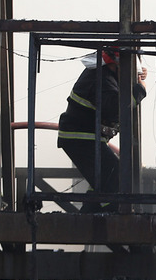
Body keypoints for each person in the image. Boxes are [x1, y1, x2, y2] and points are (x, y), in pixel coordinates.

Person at [57, 49, 147, 211]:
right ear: (117, 65)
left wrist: (134, 79)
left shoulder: (104, 74)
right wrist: (139, 89)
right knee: (115, 179)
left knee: (103, 182)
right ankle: (110, 220)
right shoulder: (101, 78)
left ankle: (87, 219)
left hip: (85, 138)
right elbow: (116, 108)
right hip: (82, 138)